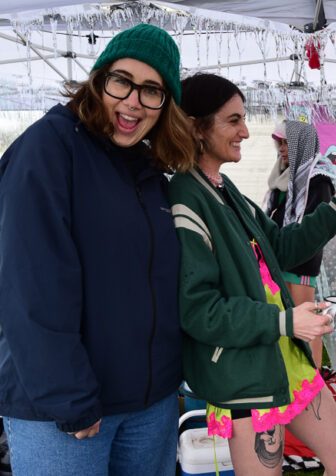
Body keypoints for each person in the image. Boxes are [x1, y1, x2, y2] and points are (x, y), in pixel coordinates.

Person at [0, 23, 196, 475]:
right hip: (66, 414)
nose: (133, 101)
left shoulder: (147, 169)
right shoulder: (49, 148)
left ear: (166, 104)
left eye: (152, 90)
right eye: (122, 81)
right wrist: (68, 396)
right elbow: (29, 285)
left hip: (150, 405)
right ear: (98, 80)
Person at [170, 73, 336, 475]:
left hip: (283, 353)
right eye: (233, 120)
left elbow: (282, 247)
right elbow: (199, 311)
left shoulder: (225, 188)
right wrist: (284, 321)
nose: (246, 132)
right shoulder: (186, 196)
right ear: (196, 127)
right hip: (245, 369)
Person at [265, 120, 336, 368]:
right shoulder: (283, 175)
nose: (282, 149)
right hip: (281, 256)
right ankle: (292, 374)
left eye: (287, 143)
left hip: (303, 261)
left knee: (309, 321)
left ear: (301, 144)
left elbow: (314, 226)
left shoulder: (319, 180)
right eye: (280, 143)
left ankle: (314, 379)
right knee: (289, 320)